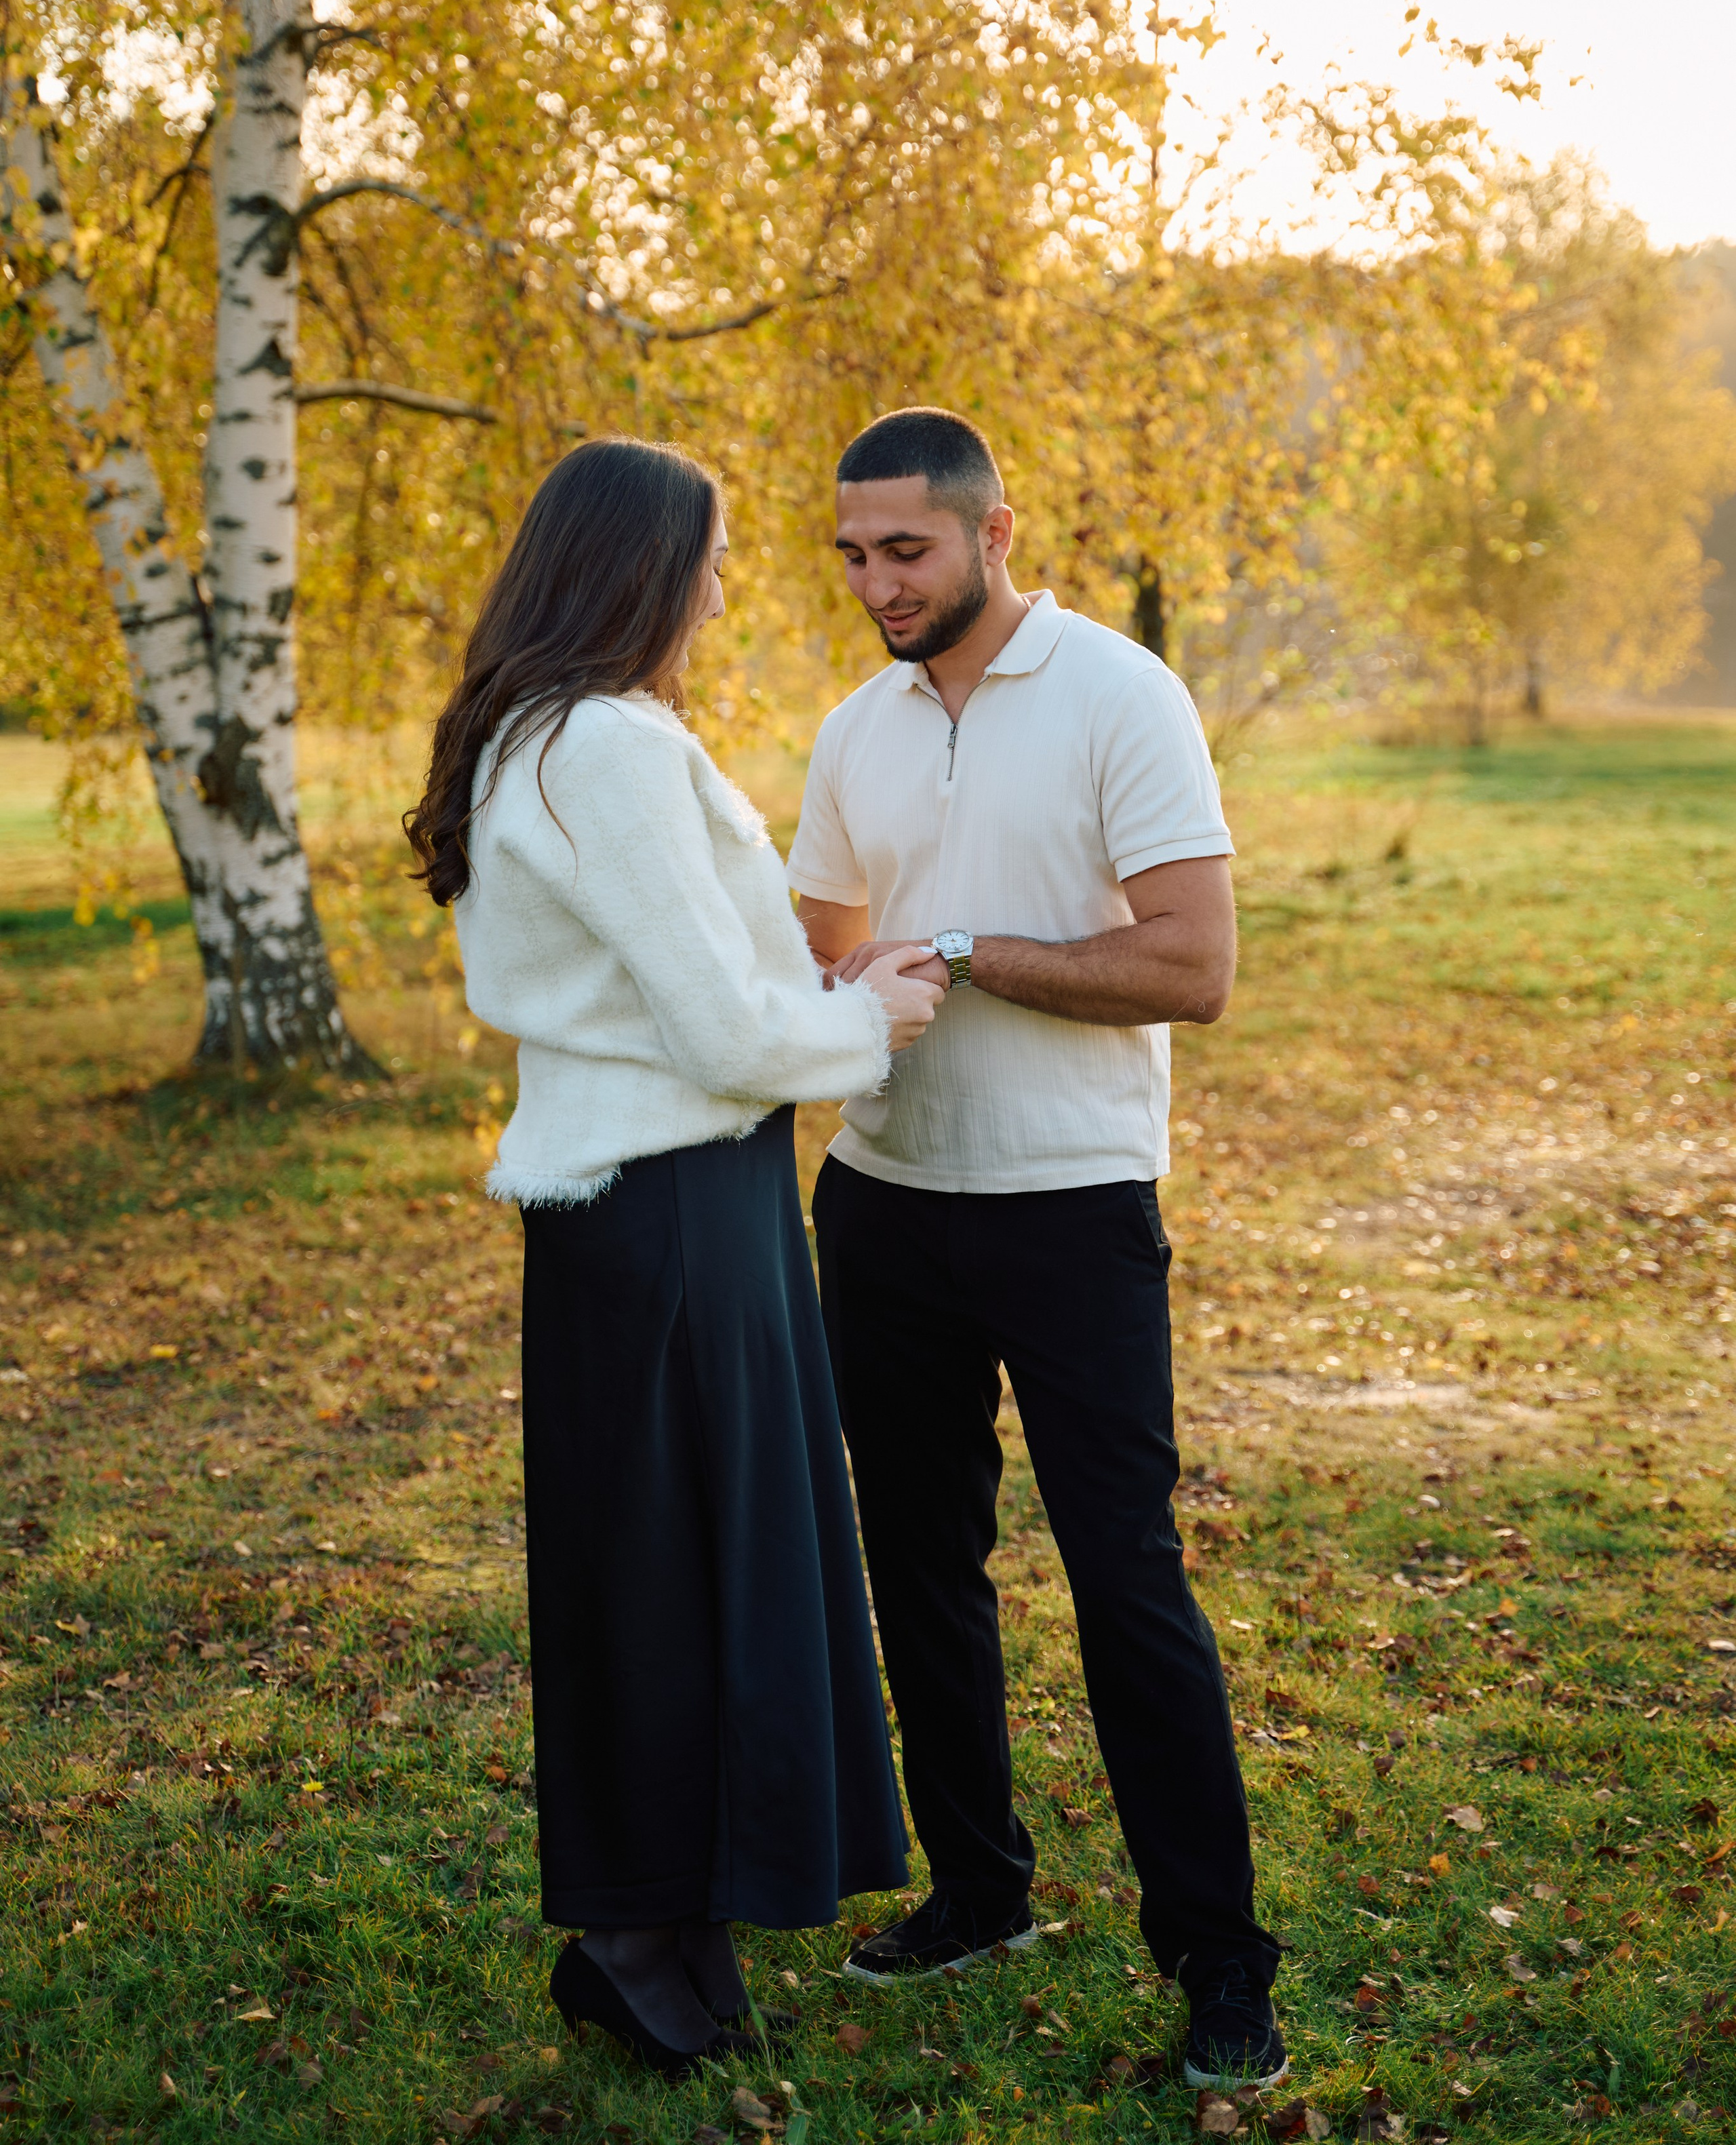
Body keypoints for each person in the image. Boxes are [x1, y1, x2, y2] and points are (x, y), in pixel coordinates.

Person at [405, 437, 942, 2080]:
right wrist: (869, 1017)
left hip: (635, 1211)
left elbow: (683, 989)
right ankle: (639, 1935)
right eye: (708, 557)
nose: (722, 587)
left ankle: (667, 1928)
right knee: (682, 1570)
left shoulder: (532, 735)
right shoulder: (609, 748)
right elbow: (718, 1031)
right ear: (639, 565)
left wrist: (811, 999)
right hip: (672, 1206)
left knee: (659, 1566)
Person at [788, 408, 1287, 2093]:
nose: (874, 582)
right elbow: (818, 964)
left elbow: (1189, 966)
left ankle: (1219, 1961)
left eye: (903, 550)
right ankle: (978, 1888)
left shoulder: (1119, 695)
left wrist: (967, 953)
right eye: (851, 554)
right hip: (878, 1204)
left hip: (1068, 1208)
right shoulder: (852, 727)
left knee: (1121, 1580)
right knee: (917, 1570)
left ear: (993, 532)